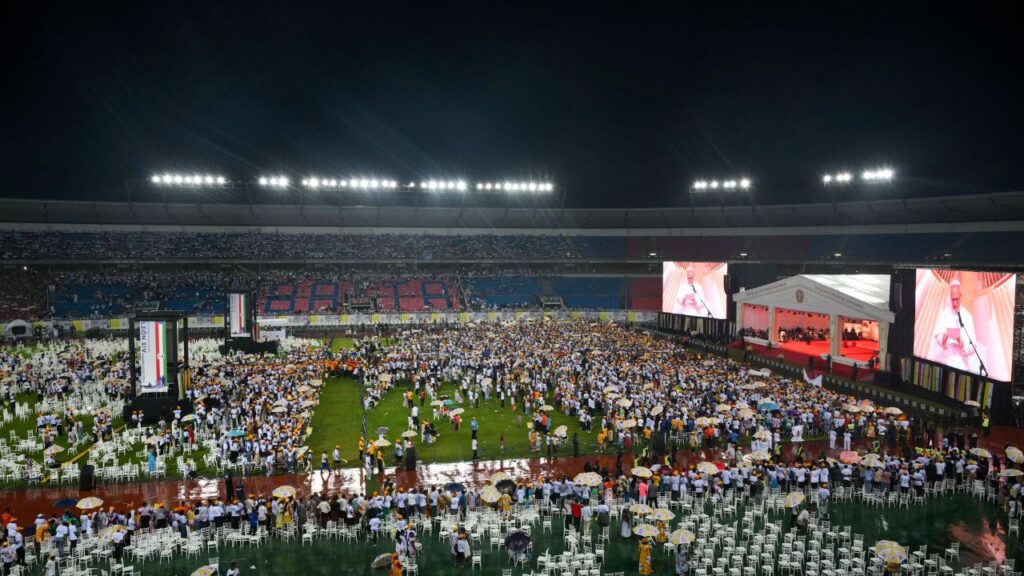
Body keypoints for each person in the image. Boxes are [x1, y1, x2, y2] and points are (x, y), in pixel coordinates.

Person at [930, 279, 979, 373]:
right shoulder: (944, 314)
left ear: (961, 296)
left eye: (957, 299)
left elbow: (973, 345)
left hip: (962, 364)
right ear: (950, 297)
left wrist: (963, 344)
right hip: (945, 361)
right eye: (953, 299)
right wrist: (943, 339)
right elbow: (938, 337)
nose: (955, 303)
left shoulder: (967, 316)